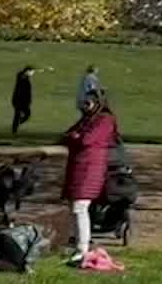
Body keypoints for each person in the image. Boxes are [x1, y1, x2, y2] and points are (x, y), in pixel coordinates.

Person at [61, 91, 120, 265]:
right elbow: (68, 135)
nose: (84, 106)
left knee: (80, 206)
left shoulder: (105, 120)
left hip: (91, 168)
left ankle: (82, 249)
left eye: (88, 103)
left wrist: (75, 137)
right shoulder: (87, 119)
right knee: (73, 206)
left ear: (97, 103)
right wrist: (74, 137)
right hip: (78, 166)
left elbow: (87, 140)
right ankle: (78, 244)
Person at [10, 67, 42, 135]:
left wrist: (36, 70)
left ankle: (16, 126)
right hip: (18, 100)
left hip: (23, 101)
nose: (32, 74)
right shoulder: (21, 77)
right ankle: (14, 130)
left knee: (26, 114)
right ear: (27, 72)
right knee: (19, 115)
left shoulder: (26, 78)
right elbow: (21, 74)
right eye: (31, 72)